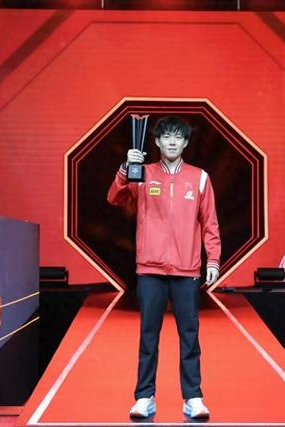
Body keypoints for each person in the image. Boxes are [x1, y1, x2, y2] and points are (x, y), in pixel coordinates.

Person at [107, 116, 221, 419]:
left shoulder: (200, 178)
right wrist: (125, 168)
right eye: (166, 137)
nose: (172, 142)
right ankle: (144, 397)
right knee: (148, 336)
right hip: (150, 269)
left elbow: (210, 222)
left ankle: (193, 397)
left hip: (187, 269)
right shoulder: (142, 173)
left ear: (185, 143)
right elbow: (115, 198)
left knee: (189, 336)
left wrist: (213, 259)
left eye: (178, 137)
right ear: (156, 141)